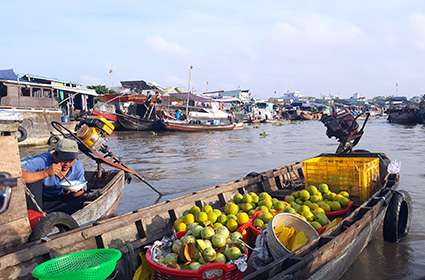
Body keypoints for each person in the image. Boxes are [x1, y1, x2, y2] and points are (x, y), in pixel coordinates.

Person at [21, 138, 87, 214]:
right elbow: (19, 175)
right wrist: (46, 173)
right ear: (55, 155)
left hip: (60, 200)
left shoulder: (77, 166)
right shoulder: (43, 160)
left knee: (82, 199)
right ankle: (37, 214)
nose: (67, 164)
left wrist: (76, 191)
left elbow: (81, 191)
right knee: (35, 182)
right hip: (41, 200)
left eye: (71, 160)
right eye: (64, 159)